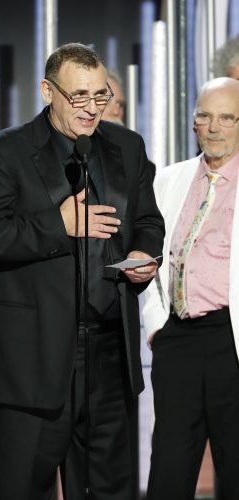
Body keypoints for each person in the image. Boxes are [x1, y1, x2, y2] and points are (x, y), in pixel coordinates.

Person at [0, 42, 164, 500]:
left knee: (110, 488)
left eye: (101, 96)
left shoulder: (127, 147)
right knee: (22, 488)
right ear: (47, 91)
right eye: (79, 97)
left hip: (111, 353)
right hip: (32, 358)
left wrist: (143, 256)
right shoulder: (2, 153)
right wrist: (59, 224)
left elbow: (149, 220)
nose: (93, 109)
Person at [141, 77, 239, 500]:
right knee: (168, 470)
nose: (213, 127)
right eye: (204, 116)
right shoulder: (168, 180)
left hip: (230, 340)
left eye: (226, 118)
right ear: (193, 121)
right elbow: (148, 254)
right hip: (177, 339)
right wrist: (156, 327)